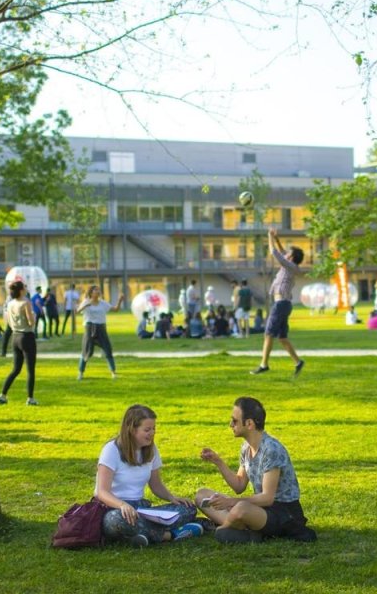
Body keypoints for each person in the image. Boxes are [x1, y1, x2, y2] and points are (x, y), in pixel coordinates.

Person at [196, 397, 316, 543]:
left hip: (283, 512)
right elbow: (239, 485)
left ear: (249, 424)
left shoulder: (271, 450)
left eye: (234, 421)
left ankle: (226, 529)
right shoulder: (246, 448)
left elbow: (267, 497)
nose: (230, 425)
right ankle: (242, 528)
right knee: (201, 495)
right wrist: (218, 462)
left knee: (240, 509)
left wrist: (231, 502)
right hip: (261, 509)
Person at [95, 405, 202, 547]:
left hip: (140, 510)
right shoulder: (111, 450)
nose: (152, 433)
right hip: (115, 508)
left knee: (188, 508)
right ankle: (171, 534)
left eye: (153, 429)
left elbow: (156, 484)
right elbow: (101, 492)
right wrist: (122, 505)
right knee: (113, 521)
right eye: (147, 430)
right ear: (132, 429)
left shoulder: (151, 449)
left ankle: (139, 536)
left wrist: (172, 498)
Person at [251, 228, 304, 377]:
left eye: (288, 253)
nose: (285, 253)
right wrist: (277, 238)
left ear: (291, 258)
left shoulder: (290, 266)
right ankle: (298, 362)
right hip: (284, 304)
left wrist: (269, 237)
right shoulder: (290, 265)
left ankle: (264, 365)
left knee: (268, 334)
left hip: (281, 304)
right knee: (282, 337)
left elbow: (274, 252)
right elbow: (281, 251)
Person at [0, 280, 39, 406]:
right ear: (21, 290)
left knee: (15, 369)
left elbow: (8, 322)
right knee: (30, 370)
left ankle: (3, 395)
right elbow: (31, 322)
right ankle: (30, 398)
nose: (26, 288)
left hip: (15, 337)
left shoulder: (10, 304)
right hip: (27, 337)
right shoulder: (26, 302)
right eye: (25, 287)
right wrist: (34, 315)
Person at [76, 284, 123, 381]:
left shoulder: (103, 303)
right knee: (86, 351)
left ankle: (113, 373)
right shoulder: (86, 302)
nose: (98, 291)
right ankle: (80, 373)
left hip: (101, 328)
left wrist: (120, 300)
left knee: (108, 350)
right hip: (89, 328)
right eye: (95, 290)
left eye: (98, 290)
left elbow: (115, 310)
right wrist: (85, 305)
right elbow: (77, 312)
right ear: (91, 293)